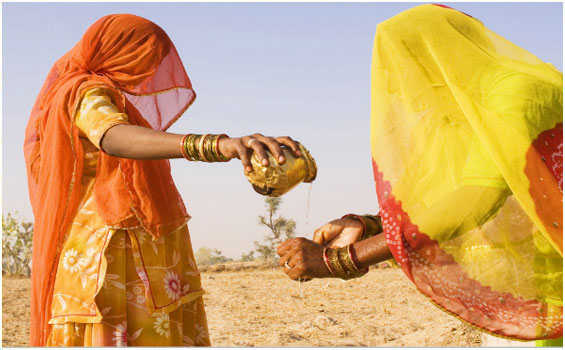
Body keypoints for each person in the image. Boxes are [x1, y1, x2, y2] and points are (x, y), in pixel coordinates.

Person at [277, 4, 563, 344]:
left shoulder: (517, 93)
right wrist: (366, 225)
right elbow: (442, 199)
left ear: (438, 53)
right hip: (540, 288)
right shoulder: (463, 112)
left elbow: (476, 199)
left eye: (405, 66)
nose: (399, 89)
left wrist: (341, 260)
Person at [24, 14, 302, 346]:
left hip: (146, 249)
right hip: (112, 253)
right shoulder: (86, 91)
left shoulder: (111, 96)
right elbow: (111, 135)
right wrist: (215, 145)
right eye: (144, 55)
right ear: (117, 50)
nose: (149, 68)